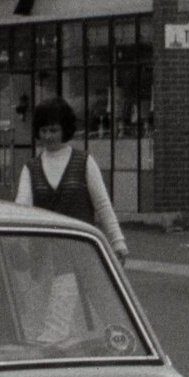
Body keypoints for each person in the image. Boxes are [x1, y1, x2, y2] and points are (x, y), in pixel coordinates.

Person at [13, 96, 130, 260]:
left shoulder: (84, 162)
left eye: (53, 130)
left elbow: (102, 205)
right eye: (43, 130)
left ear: (65, 130)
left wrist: (118, 242)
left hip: (81, 253)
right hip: (44, 258)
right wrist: (17, 244)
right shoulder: (30, 168)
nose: (48, 136)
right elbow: (22, 209)